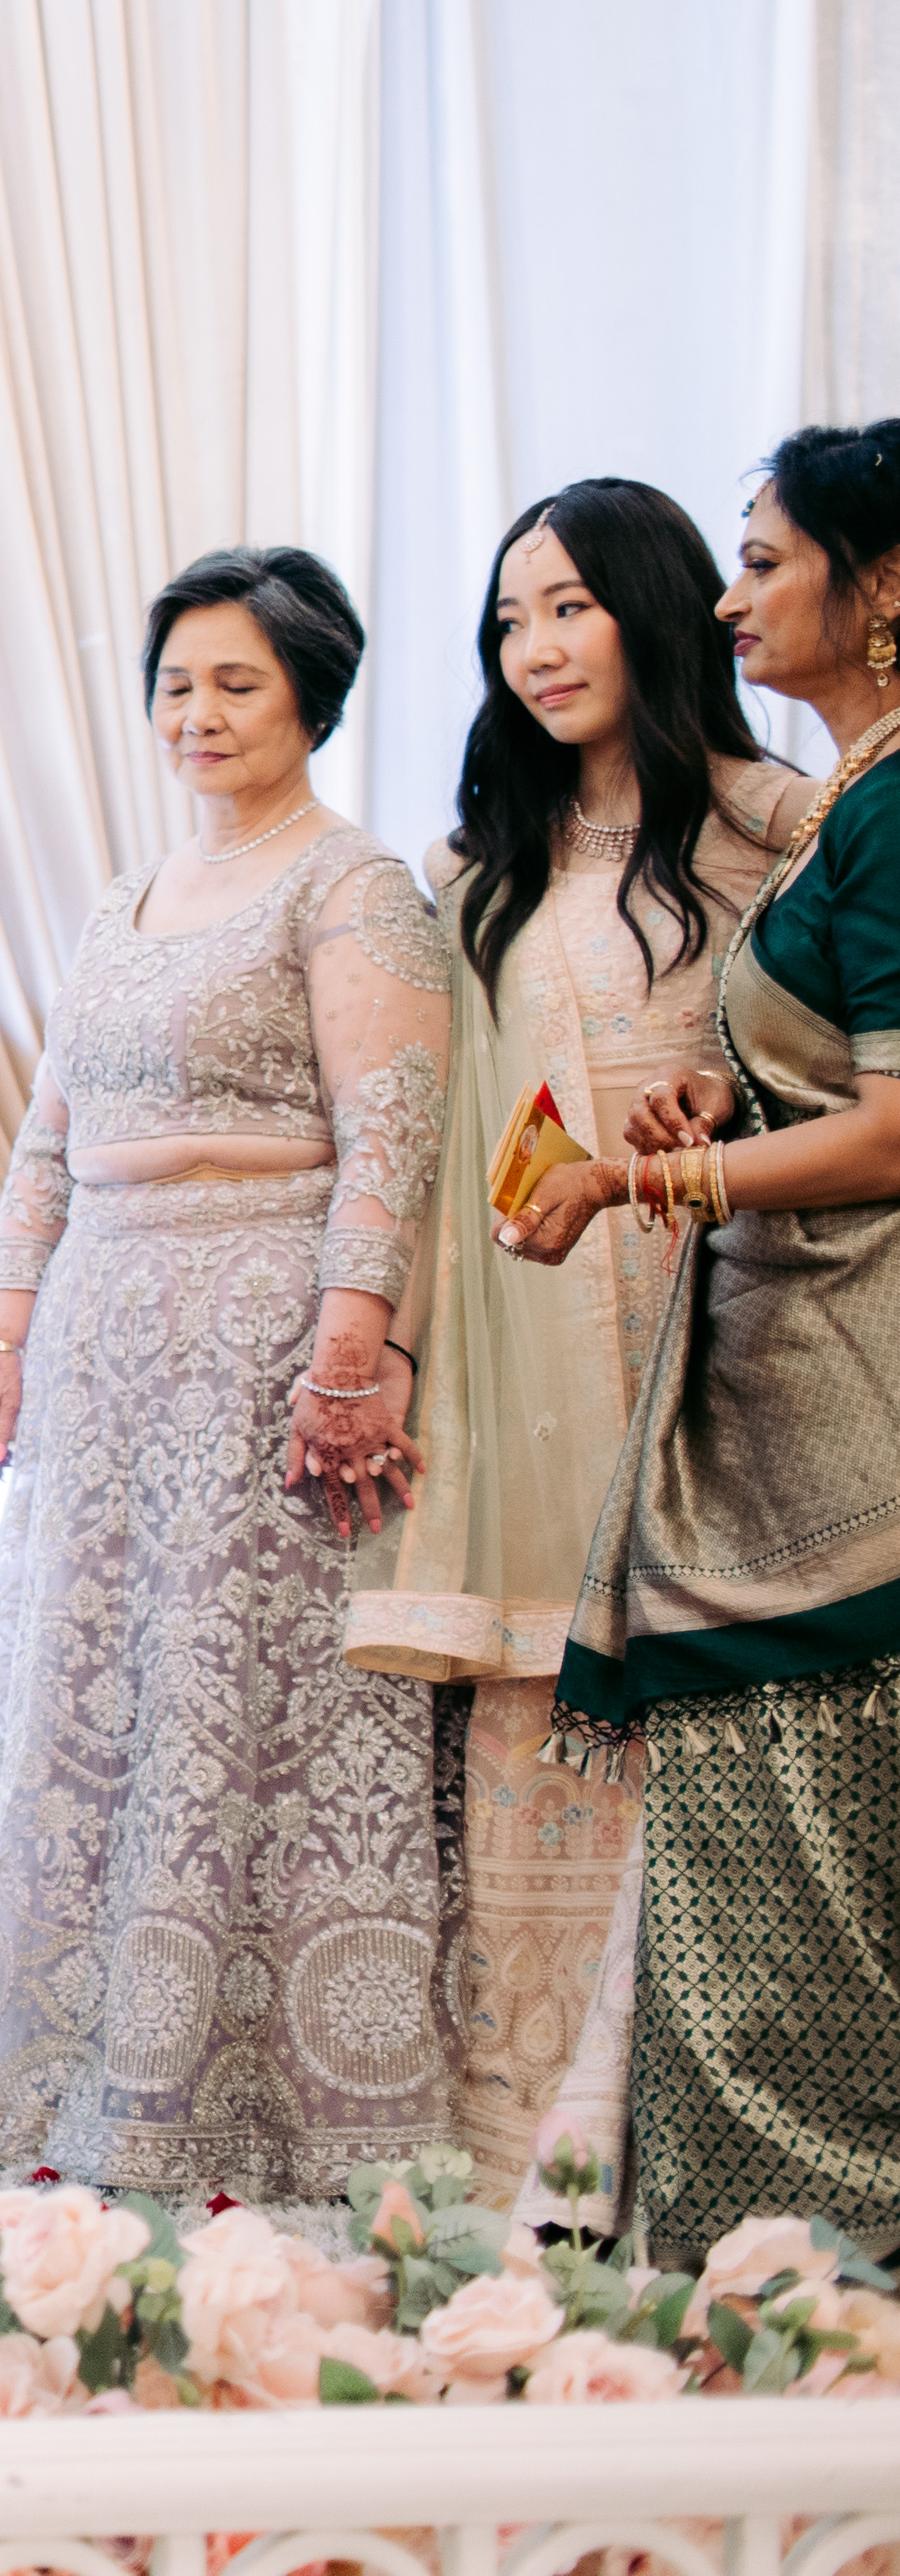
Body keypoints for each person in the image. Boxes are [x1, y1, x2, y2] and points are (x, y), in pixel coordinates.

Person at [0, 549, 455, 2200]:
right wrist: (2, 1332)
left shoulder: (351, 884)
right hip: (103, 1339)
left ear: (311, 695)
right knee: (94, 1685)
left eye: (235, 681)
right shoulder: (121, 899)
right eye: (174, 684)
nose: (197, 714)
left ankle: (238, 2080)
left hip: (255, 1329)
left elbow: (394, 1132)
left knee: (233, 1690)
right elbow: (49, 1134)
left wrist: (350, 1347)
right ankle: (70, 2053)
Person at [358, 479, 810, 2220]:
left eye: (569, 607)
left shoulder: (781, 825)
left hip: (726, 1334)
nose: (535, 648)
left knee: (707, 1726)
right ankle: (517, 2174)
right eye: (507, 620)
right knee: (535, 1718)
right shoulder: (476, 869)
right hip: (523, 1356)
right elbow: (436, 1150)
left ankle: (695, 2160)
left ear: (657, 607)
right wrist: (395, 1357)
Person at [560, 419, 900, 2263]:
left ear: (886, 584)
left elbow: (896, 1133)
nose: (726, 596)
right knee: (769, 1883)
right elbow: (829, 1068)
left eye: (766, 560)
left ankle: (809, 2309)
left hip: (852, 1417)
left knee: (805, 1907)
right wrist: (722, 1094)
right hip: (795, 1382)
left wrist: (642, 1180)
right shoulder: (861, 790)